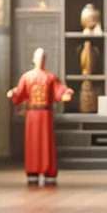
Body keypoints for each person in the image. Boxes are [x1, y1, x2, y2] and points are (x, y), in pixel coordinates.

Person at [8, 47, 74, 186]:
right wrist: (13, 94)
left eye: (42, 57)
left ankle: (49, 171)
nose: (40, 60)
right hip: (32, 114)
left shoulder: (50, 77)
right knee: (32, 143)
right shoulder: (27, 77)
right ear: (33, 59)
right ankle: (32, 171)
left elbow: (59, 91)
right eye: (38, 57)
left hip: (45, 114)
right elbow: (20, 94)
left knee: (46, 143)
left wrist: (65, 94)